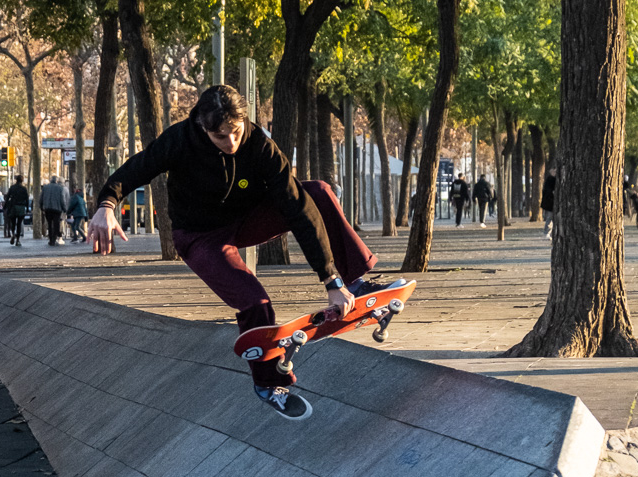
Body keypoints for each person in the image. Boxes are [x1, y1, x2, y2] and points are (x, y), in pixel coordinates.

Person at [90, 84, 408, 421]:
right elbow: (135, 169)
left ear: (245, 121)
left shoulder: (259, 144)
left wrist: (331, 280)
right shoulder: (180, 140)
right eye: (220, 137)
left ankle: (355, 282)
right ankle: (270, 384)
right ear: (203, 126)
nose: (230, 143)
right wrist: (107, 204)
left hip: (247, 220)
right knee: (255, 303)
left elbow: (296, 207)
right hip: (200, 237)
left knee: (316, 192)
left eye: (236, 133)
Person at [40, 175, 69, 245]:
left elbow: (41, 198)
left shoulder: (45, 188)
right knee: (56, 224)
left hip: (47, 209)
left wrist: (41, 207)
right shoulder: (60, 188)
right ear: (56, 181)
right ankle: (54, 237)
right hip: (57, 209)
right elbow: (62, 200)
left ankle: (51, 239)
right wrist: (65, 209)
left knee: (49, 224)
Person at [3, 175, 29, 246]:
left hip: (13, 206)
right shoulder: (24, 189)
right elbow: (26, 198)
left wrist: (5, 207)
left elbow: (8, 197)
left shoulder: (12, 188)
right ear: (22, 180)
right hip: (21, 207)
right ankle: (17, 240)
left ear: (16, 180)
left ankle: (13, 234)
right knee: (19, 223)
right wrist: (27, 208)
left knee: (13, 223)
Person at [541, 168, 557, 238]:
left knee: (550, 217)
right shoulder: (550, 180)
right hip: (550, 202)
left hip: (550, 202)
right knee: (550, 217)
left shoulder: (551, 179)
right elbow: (547, 191)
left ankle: (548, 232)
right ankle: (547, 232)